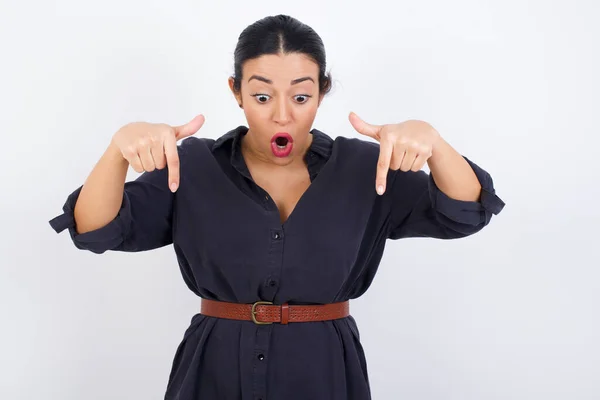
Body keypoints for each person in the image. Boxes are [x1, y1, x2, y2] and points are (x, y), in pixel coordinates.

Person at [49, 14, 505, 400]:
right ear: (236, 91)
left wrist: (436, 144)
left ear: (323, 92)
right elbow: (95, 229)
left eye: (301, 96)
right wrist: (116, 152)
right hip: (213, 370)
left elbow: (463, 212)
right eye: (262, 96)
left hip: (324, 369)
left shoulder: (369, 167)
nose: (282, 115)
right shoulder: (189, 166)